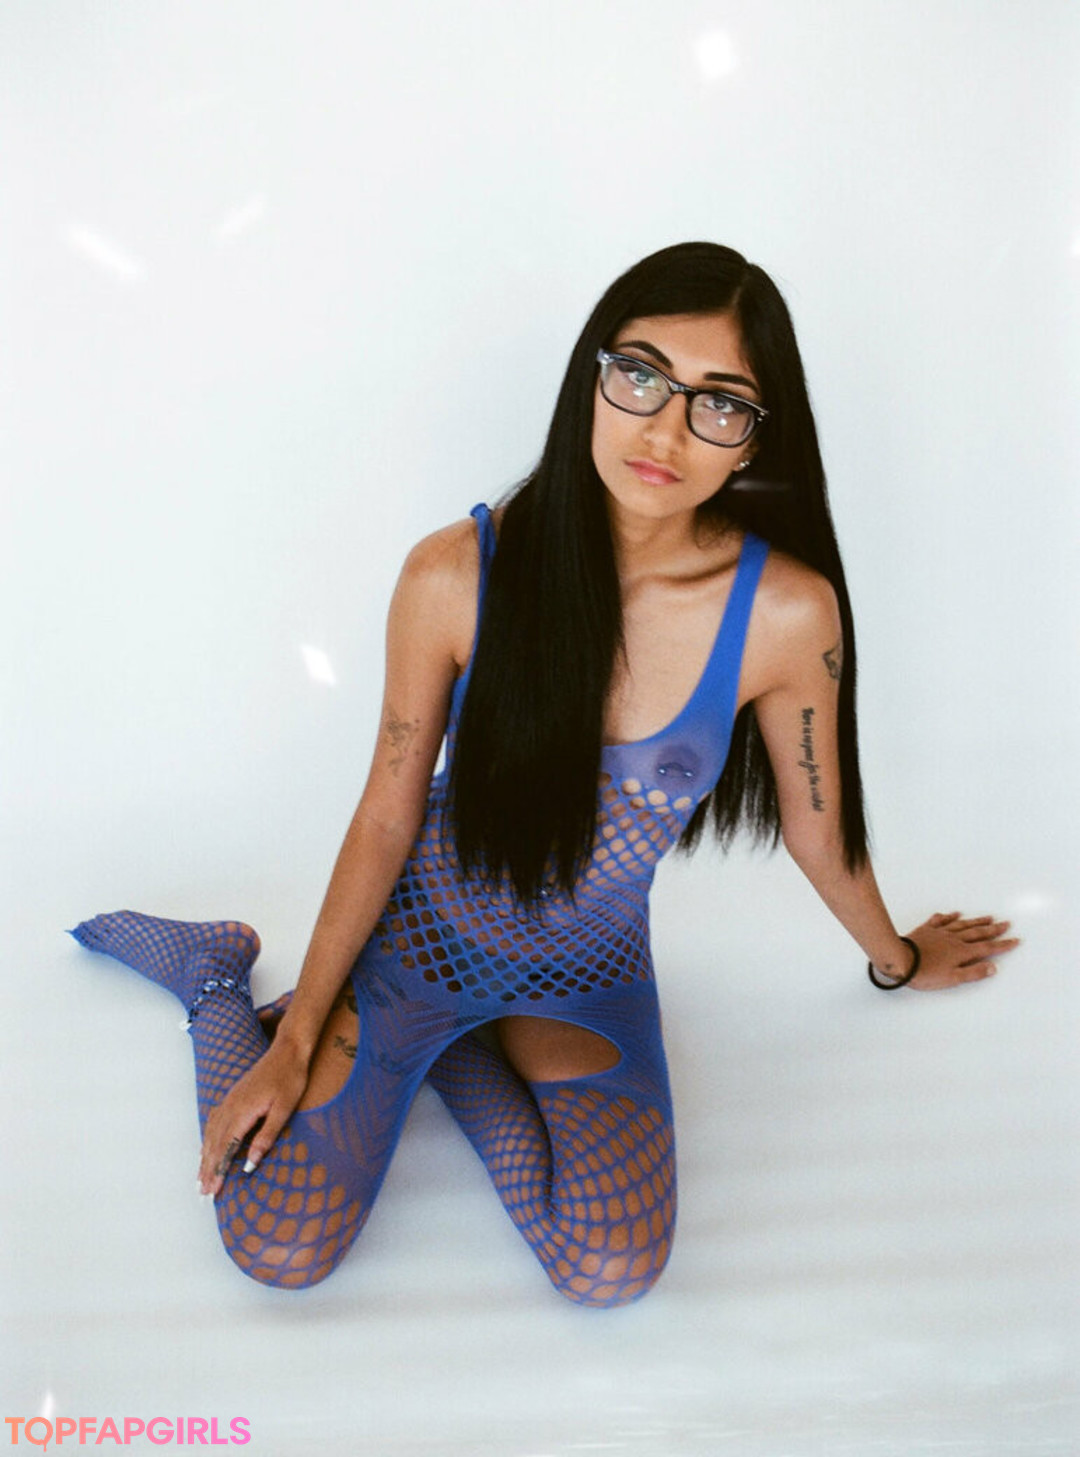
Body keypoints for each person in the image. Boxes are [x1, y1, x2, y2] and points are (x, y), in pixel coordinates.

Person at [70, 241, 1019, 1308]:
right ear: (592, 376)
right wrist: (292, 1040)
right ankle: (212, 973)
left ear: (757, 435)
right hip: (415, 943)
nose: (665, 429)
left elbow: (816, 826)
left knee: (611, 1266)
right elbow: (386, 815)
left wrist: (896, 958)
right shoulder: (454, 574)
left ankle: (460, 1055)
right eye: (642, 375)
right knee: (276, 1242)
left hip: (585, 972)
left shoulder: (786, 613)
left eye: (719, 402)